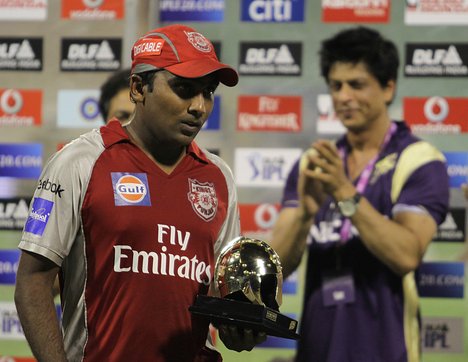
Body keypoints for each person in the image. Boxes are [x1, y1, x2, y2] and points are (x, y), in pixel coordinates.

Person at [14, 24, 266, 362]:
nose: (199, 107)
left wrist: (241, 326)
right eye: (184, 89)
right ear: (138, 88)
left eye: (208, 92)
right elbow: (32, 284)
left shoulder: (219, 177)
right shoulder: (80, 162)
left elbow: (220, 297)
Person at [270, 26, 449, 362]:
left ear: (388, 88)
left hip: (387, 350)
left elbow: (406, 255)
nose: (344, 97)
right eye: (336, 86)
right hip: (317, 350)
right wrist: (306, 216)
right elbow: (277, 266)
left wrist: (342, 190)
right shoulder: (314, 162)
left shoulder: (419, 161)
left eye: (357, 84)